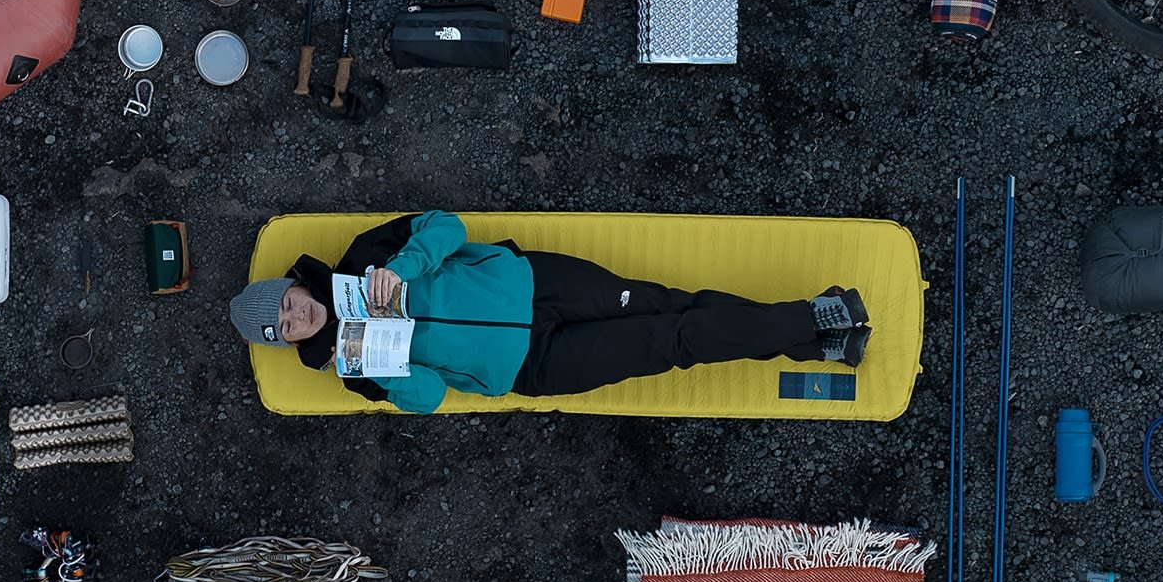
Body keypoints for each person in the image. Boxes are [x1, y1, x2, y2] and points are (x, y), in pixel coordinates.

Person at [229, 211, 869, 414]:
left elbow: (446, 226)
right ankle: (815, 320)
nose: (294, 320)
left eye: (285, 306)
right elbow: (428, 399)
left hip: (537, 285)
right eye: (282, 329)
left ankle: (812, 334)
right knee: (675, 341)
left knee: (676, 307)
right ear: (289, 341)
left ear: (296, 286)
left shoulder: (363, 255)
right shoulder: (351, 369)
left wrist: (405, 267)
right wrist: (384, 364)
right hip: (537, 366)